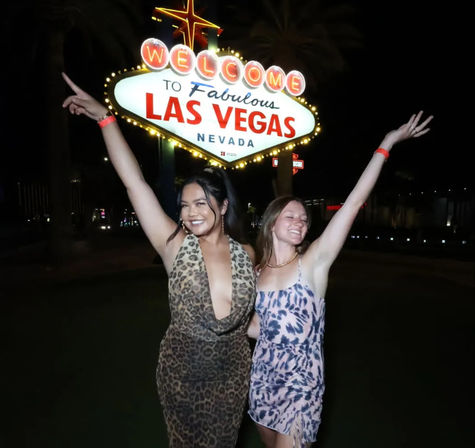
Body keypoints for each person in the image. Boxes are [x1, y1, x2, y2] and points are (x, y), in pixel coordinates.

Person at [62, 73, 256, 448]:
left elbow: (249, 320)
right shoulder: (175, 245)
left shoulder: (245, 254)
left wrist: (292, 336)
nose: (191, 212)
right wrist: (106, 119)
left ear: (224, 205)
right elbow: (135, 183)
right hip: (183, 375)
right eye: (184, 205)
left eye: (201, 203)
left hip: (233, 375)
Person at [246, 111, 433, 448]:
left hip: (302, 387)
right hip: (263, 380)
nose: (300, 221)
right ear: (271, 222)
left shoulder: (313, 263)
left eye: (304, 218)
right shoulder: (257, 273)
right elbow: (257, 328)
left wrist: (386, 144)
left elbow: (355, 201)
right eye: (290, 215)